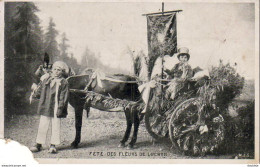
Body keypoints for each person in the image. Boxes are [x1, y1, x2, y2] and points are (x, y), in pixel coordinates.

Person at [29, 61, 70, 154]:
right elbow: (40, 89)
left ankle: (53, 145)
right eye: (54, 69)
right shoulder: (47, 79)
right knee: (43, 124)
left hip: (56, 106)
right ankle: (38, 144)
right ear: (52, 70)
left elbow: (64, 97)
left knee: (56, 125)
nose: (56, 71)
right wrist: (35, 94)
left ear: (62, 71)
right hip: (46, 105)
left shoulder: (64, 82)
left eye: (59, 70)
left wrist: (60, 108)